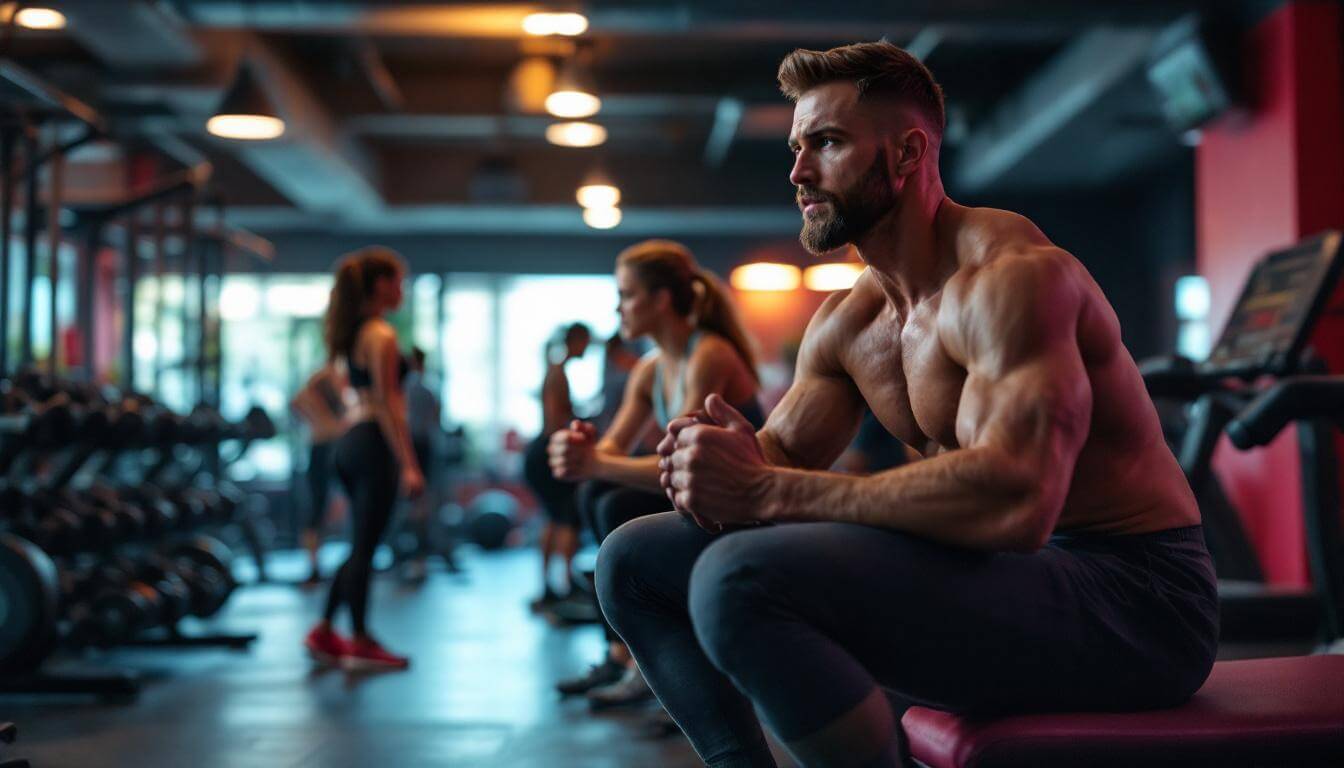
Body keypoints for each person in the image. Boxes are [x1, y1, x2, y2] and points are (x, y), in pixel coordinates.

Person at [596, 41, 1216, 768]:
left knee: (739, 580)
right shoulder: (850, 323)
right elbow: (784, 457)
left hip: (1134, 602)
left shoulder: (1012, 279)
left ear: (907, 152)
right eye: (797, 147)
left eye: (825, 143)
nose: (797, 171)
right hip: (996, 577)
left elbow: (1016, 502)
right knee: (633, 557)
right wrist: (715, 460)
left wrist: (766, 488)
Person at [549, 240, 765, 711]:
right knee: (599, 493)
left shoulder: (708, 354)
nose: (617, 306)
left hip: (743, 510)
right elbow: (610, 451)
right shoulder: (650, 369)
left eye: (626, 294)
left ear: (662, 299)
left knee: (610, 500)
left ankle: (640, 661)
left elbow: (688, 465)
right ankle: (622, 655)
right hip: (699, 502)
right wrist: (584, 449)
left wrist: (596, 464)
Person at [304, 246, 425, 671]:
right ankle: (359, 640)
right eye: (398, 281)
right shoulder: (382, 334)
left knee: (360, 545)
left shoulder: (354, 333)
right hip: (372, 443)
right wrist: (409, 463)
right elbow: (391, 404)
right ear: (380, 285)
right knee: (365, 548)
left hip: (350, 441)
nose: (402, 289)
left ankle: (323, 630)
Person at [522, 322, 592, 612]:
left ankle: (551, 587)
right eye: (585, 343)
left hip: (540, 451)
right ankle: (564, 585)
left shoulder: (555, 370)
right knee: (567, 518)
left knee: (553, 518)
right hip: (548, 450)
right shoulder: (558, 373)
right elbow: (555, 420)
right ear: (574, 341)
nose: (586, 349)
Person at [289, 358, 349, 584]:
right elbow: (297, 403)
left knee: (322, 505)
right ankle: (315, 564)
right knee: (318, 506)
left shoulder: (331, 375)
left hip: (328, 444)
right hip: (327, 445)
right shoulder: (328, 376)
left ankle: (319, 564)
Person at [399, 346, 443, 582]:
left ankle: (417, 559)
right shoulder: (425, 389)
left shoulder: (410, 389)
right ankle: (415, 559)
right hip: (417, 446)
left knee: (417, 504)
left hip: (416, 447)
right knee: (418, 504)